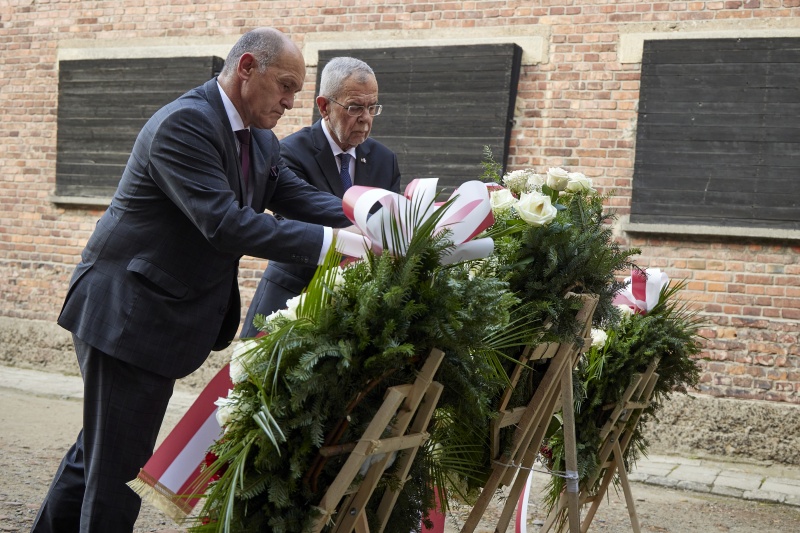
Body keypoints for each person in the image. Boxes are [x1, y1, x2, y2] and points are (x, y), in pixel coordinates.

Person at [31, 28, 358, 533]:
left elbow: (298, 197)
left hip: (154, 314)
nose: (293, 103)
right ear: (247, 67)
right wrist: (335, 245)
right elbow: (225, 223)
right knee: (117, 472)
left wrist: (373, 214)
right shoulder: (186, 122)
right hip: (128, 315)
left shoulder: (261, 141)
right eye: (287, 86)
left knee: (97, 453)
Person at [240, 56, 401, 338]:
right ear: (324, 107)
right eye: (354, 107)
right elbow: (298, 222)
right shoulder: (288, 152)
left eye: (372, 107)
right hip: (293, 298)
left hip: (357, 311)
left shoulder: (385, 161)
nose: (365, 117)